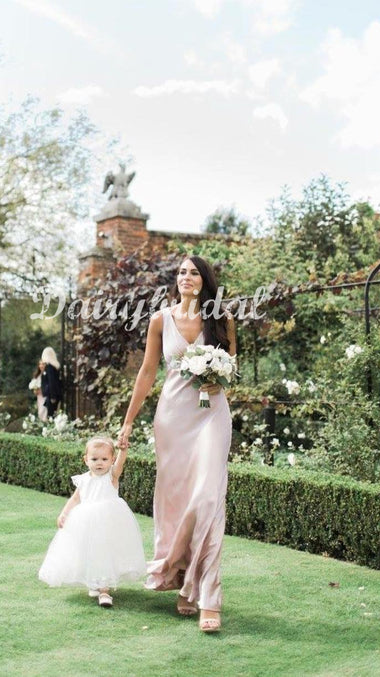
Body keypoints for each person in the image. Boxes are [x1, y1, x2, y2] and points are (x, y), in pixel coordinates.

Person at [118, 256, 236, 633]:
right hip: (171, 419)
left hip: (211, 416)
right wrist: (128, 421)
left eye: (194, 272)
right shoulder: (160, 320)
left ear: (205, 281)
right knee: (176, 502)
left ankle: (209, 598)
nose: (186, 277)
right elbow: (147, 372)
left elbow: (232, 366)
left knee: (207, 498)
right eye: (182, 272)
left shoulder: (222, 319)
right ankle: (185, 583)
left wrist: (220, 378)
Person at [38, 436, 146, 607]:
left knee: (105, 552)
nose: (99, 463)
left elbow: (120, 464)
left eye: (104, 459)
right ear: (86, 460)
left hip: (109, 520)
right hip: (87, 521)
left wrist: (123, 451)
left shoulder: (112, 476)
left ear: (111, 460)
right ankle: (94, 583)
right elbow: (75, 499)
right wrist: (64, 513)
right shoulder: (84, 479)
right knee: (90, 552)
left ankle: (104, 591)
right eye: (94, 459)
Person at [40, 347, 63, 418]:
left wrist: (53, 396)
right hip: (54, 394)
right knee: (53, 415)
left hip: (52, 395)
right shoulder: (54, 366)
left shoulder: (50, 367)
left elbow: (51, 381)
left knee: (51, 415)